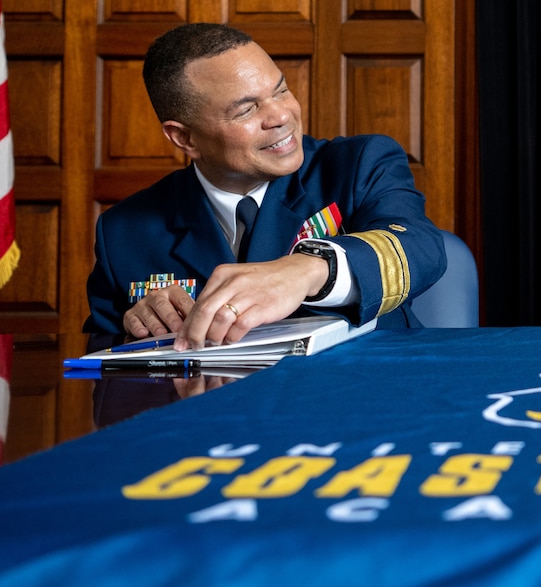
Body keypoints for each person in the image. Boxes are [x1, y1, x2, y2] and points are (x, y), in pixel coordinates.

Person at [84, 24, 446, 349]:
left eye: (281, 90)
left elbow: (421, 247)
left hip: (357, 400)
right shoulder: (124, 231)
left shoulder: (357, 164)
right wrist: (137, 328)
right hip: (214, 414)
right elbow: (105, 360)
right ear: (185, 138)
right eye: (246, 111)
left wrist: (305, 271)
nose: (281, 116)